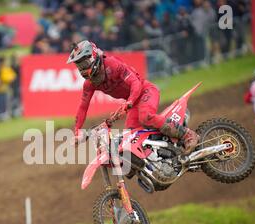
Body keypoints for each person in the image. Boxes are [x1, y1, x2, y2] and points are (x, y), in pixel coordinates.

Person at [68, 40, 199, 154]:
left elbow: (135, 83)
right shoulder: (90, 83)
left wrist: (129, 102)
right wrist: (77, 131)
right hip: (133, 103)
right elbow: (83, 107)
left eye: (84, 64)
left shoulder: (112, 64)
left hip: (145, 91)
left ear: (93, 56)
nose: (82, 69)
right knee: (131, 138)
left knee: (146, 116)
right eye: (79, 66)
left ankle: (188, 134)